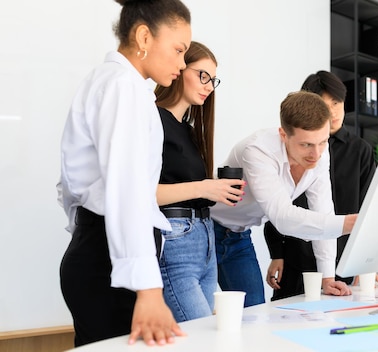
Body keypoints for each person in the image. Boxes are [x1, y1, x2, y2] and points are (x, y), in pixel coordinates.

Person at [58, 0, 191, 347]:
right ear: (144, 36)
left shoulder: (118, 84)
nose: (181, 64)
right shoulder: (122, 86)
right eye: (178, 50)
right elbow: (127, 187)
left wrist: (89, 233)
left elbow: (71, 188)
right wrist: (148, 290)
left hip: (100, 254)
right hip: (109, 267)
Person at [211, 91, 357, 307]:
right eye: (306, 145)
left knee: (253, 311)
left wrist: (327, 277)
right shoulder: (257, 150)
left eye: (323, 142)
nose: (316, 154)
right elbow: (282, 217)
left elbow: (323, 211)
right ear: (283, 135)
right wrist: (346, 224)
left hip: (239, 237)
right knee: (195, 318)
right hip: (204, 231)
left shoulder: (319, 153)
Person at [264, 71, 378, 301]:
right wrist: (277, 253)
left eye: (337, 102)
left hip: (340, 261)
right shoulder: (292, 146)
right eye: (324, 104)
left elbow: (366, 208)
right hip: (296, 255)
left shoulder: (359, 150)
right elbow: (278, 205)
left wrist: (364, 263)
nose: (332, 111)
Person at [154, 41, 245, 323]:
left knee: (205, 331)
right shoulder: (152, 119)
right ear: (180, 69)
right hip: (175, 240)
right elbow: (142, 194)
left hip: (205, 239)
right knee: (202, 336)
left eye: (213, 80)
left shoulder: (190, 132)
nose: (209, 85)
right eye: (202, 75)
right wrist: (206, 187)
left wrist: (215, 189)